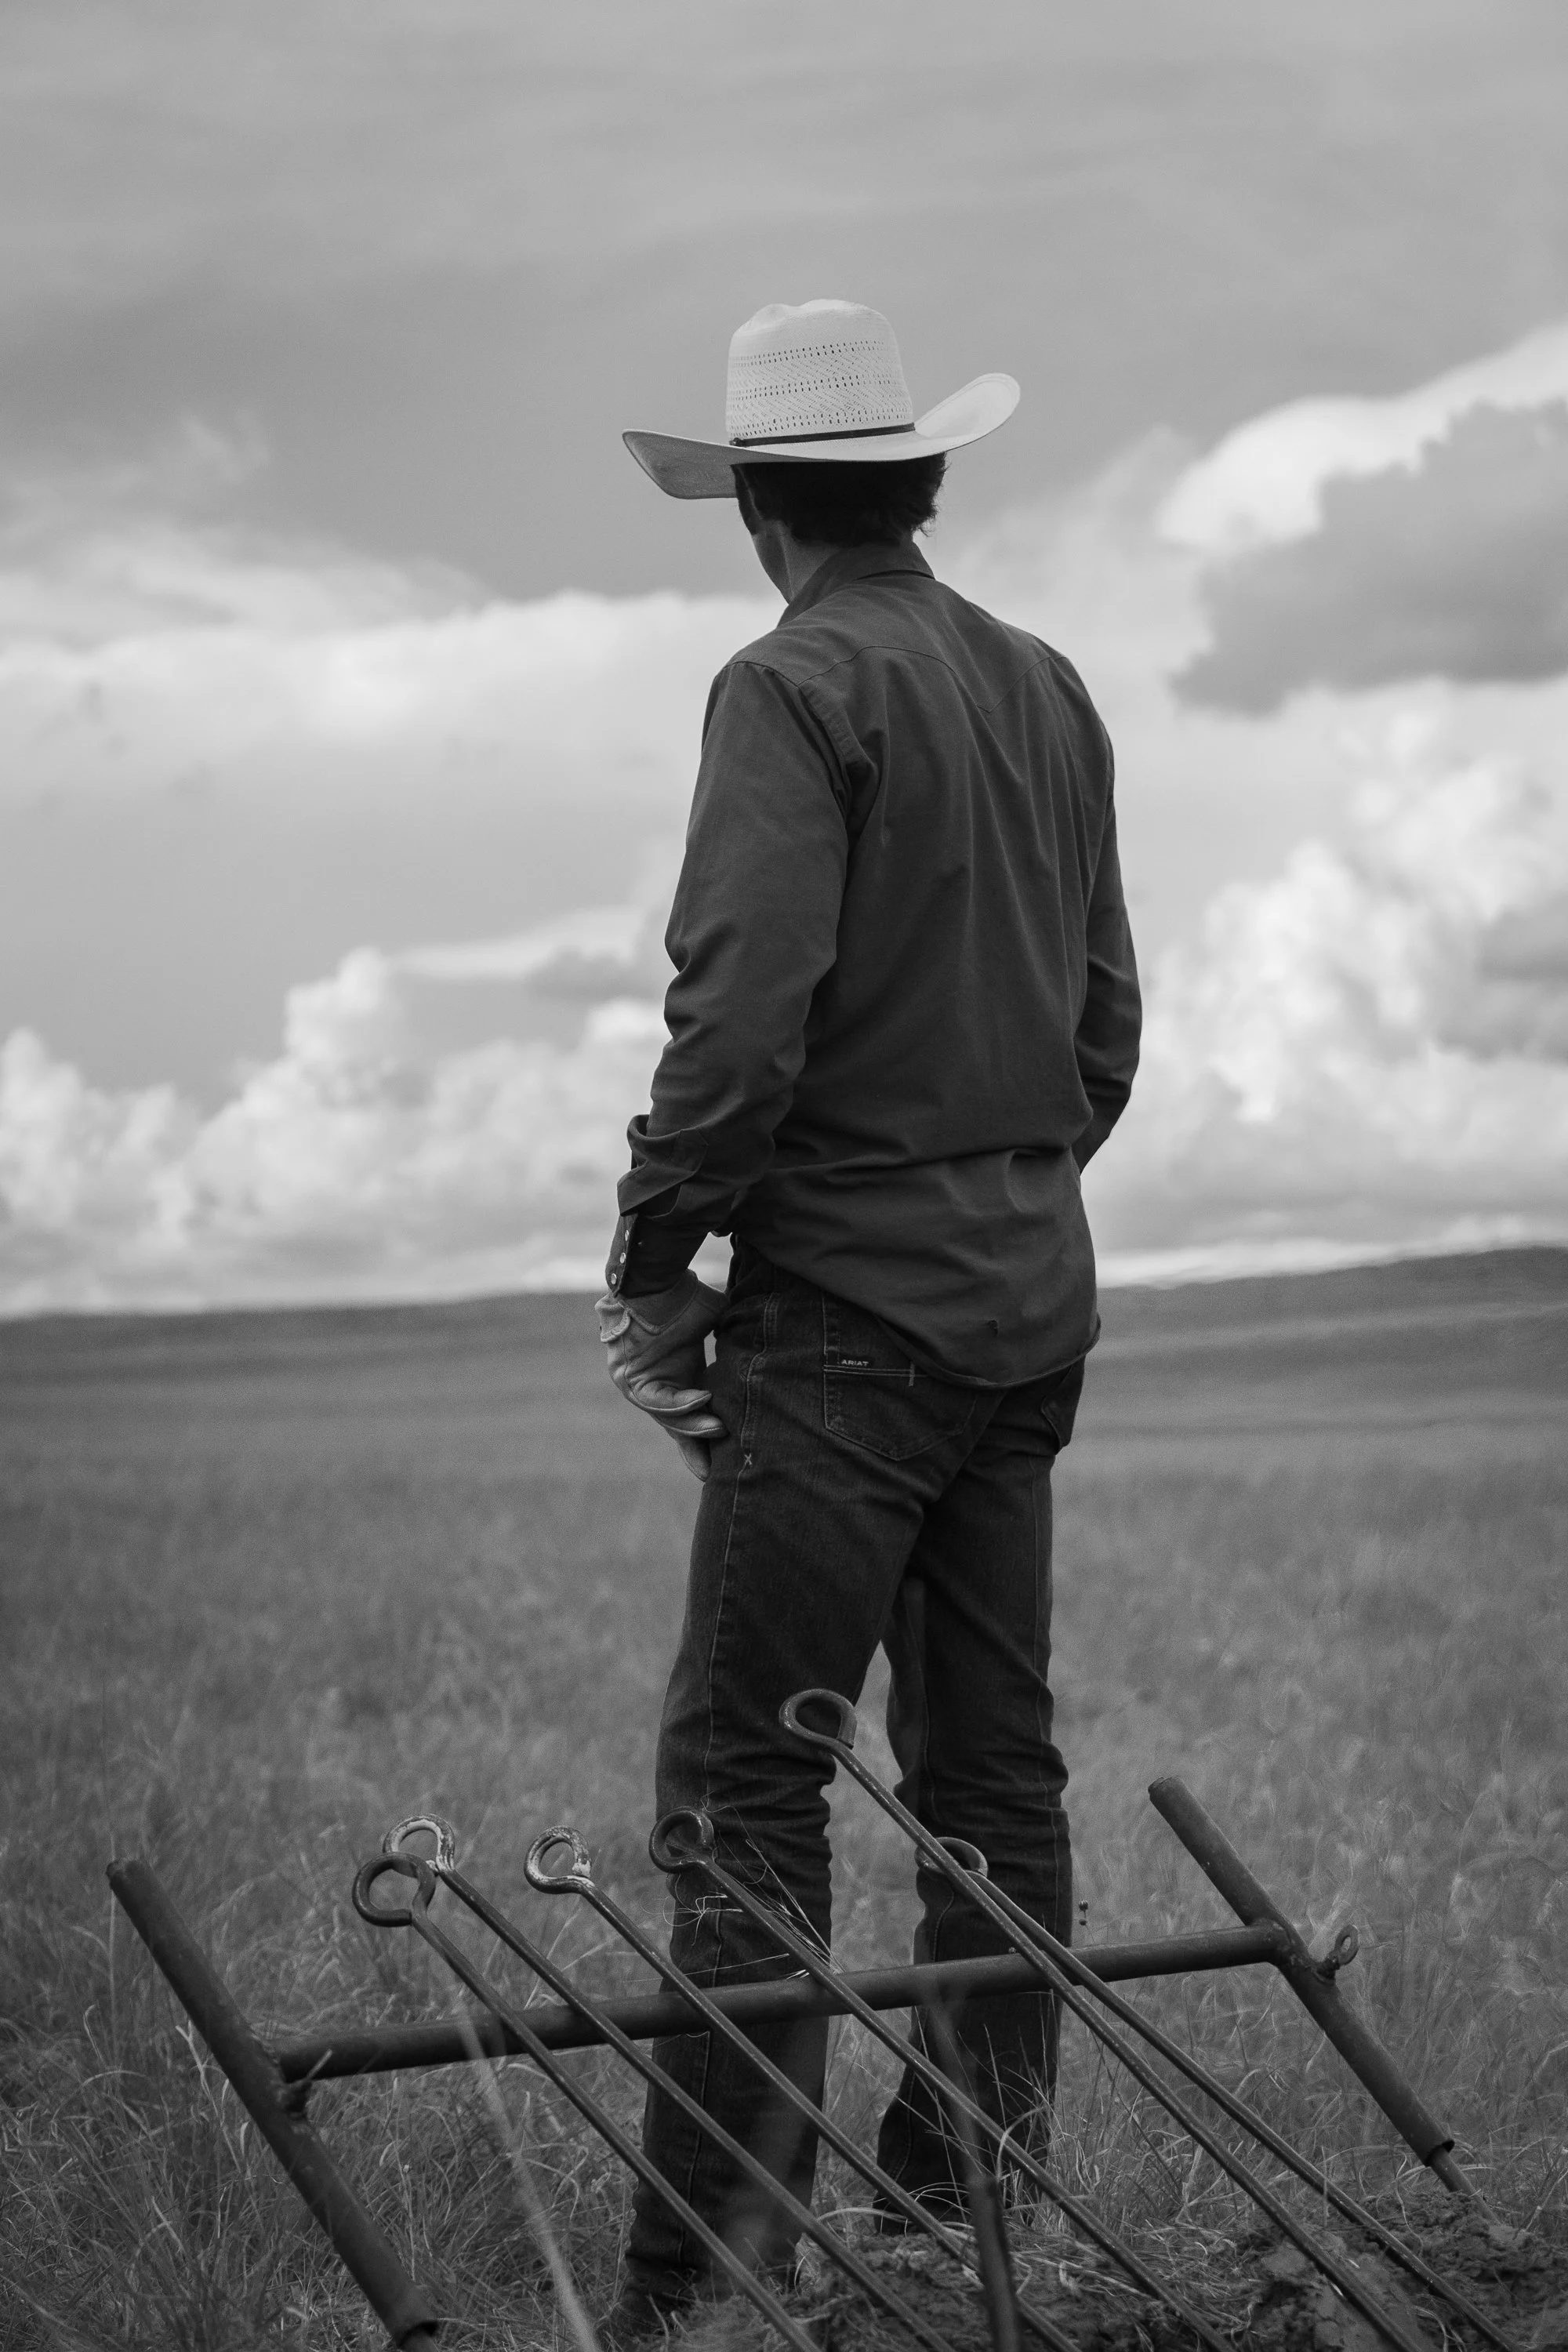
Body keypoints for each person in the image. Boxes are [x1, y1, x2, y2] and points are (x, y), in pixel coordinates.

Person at [596, 299, 1141, 2332]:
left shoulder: (791, 688)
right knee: (998, 1785)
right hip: (1027, 1307)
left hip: (846, 1330)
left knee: (746, 1788)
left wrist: (664, 1267)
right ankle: (953, 2213)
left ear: (758, 505)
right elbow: (1104, 1023)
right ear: (919, 480)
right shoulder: (1051, 688)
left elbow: (738, 1022)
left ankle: (714, 2284)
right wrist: (995, 1187)